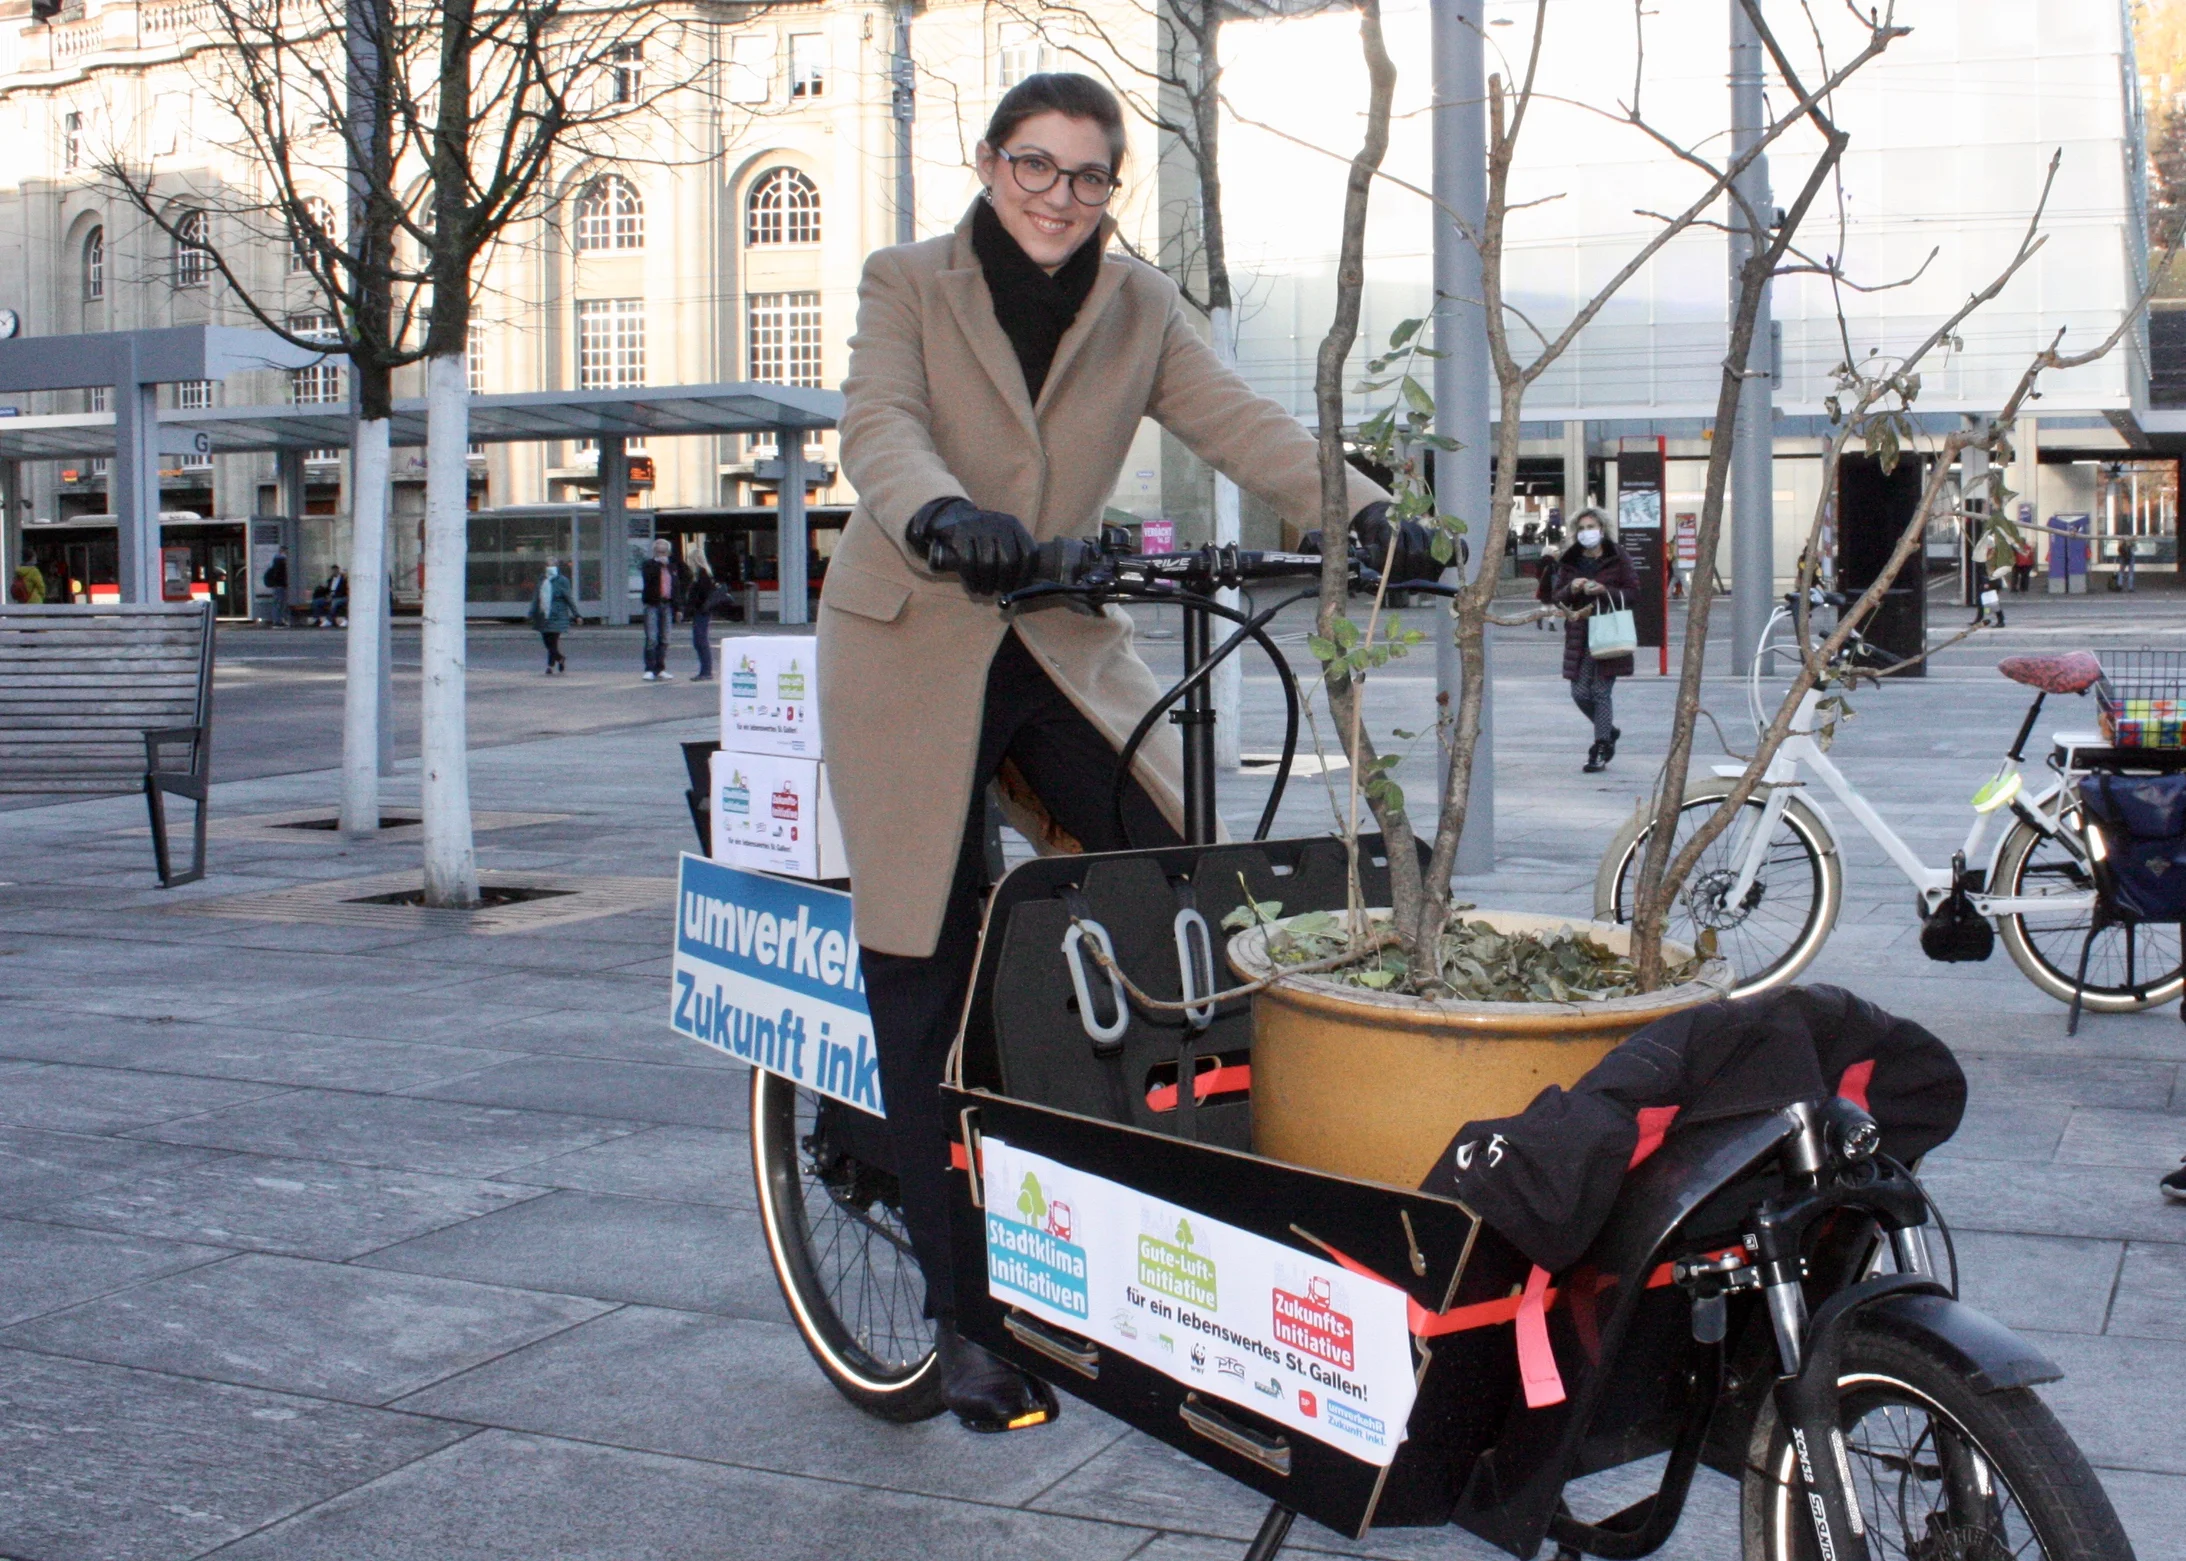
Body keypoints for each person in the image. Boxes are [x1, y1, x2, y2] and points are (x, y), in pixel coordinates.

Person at [818, 71, 1390, 1436]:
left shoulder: (1139, 305)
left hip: (1053, 635)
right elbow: (874, 425)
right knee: (924, 951)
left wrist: (1365, 514)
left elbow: (1241, 423)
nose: (1060, 197)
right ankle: (963, 1318)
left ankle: (1130, 1193)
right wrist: (941, 509)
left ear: (1112, 184)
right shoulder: (908, 279)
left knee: (1182, 873)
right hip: (910, 631)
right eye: (1035, 166)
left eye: (1088, 176)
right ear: (990, 161)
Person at [1548, 507, 1638, 773]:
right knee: (1579, 692)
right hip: (1580, 634)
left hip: (1609, 632)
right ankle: (1608, 729)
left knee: (1600, 691)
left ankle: (1601, 746)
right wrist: (1571, 587)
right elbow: (1557, 598)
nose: (1588, 532)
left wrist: (1604, 590)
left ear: (1602, 529)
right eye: (1583, 528)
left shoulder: (1617, 556)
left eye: (1592, 527)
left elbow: (1634, 592)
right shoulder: (1570, 559)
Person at [638, 537, 685, 680]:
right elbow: (648, 580)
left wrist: (679, 608)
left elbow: (676, 588)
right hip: (652, 604)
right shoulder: (648, 565)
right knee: (652, 637)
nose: (662, 555)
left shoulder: (672, 567)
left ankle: (660, 668)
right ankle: (649, 669)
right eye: (659, 552)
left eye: (664, 552)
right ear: (654, 552)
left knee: (665, 638)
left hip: (667, 604)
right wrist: (658, 566)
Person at [686, 563, 735, 681]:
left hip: (702, 611)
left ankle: (706, 671)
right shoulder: (704, 574)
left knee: (700, 640)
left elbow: (701, 594)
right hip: (702, 610)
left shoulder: (701, 575)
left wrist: (691, 606)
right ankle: (705, 671)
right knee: (700, 640)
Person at [528, 561, 575, 673]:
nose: (549, 567)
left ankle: (550, 666)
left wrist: (576, 613)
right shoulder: (542, 580)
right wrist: (531, 612)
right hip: (543, 615)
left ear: (557, 567)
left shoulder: (562, 581)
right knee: (547, 642)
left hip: (557, 615)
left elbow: (569, 598)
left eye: (552, 565)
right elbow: (536, 598)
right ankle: (560, 659)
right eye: (548, 565)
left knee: (553, 641)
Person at [261, 546, 289, 627]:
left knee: (277, 603)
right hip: (280, 585)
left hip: (277, 585)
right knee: (279, 603)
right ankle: (278, 621)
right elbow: (282, 575)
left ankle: (278, 620)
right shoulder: (281, 562)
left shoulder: (276, 562)